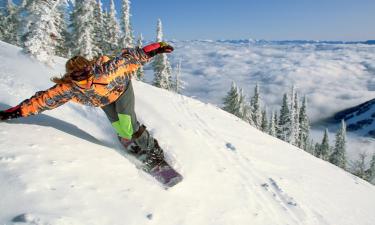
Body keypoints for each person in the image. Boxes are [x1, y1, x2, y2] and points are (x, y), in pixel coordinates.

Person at [0, 42, 174, 172]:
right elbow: (41, 101)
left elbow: (130, 58)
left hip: (121, 90)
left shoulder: (106, 72)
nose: (83, 79)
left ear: (90, 68)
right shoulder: (68, 89)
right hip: (104, 102)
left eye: (85, 73)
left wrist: (156, 48)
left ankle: (153, 151)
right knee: (120, 129)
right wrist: (13, 113)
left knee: (127, 123)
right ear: (70, 76)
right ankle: (135, 147)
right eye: (76, 75)